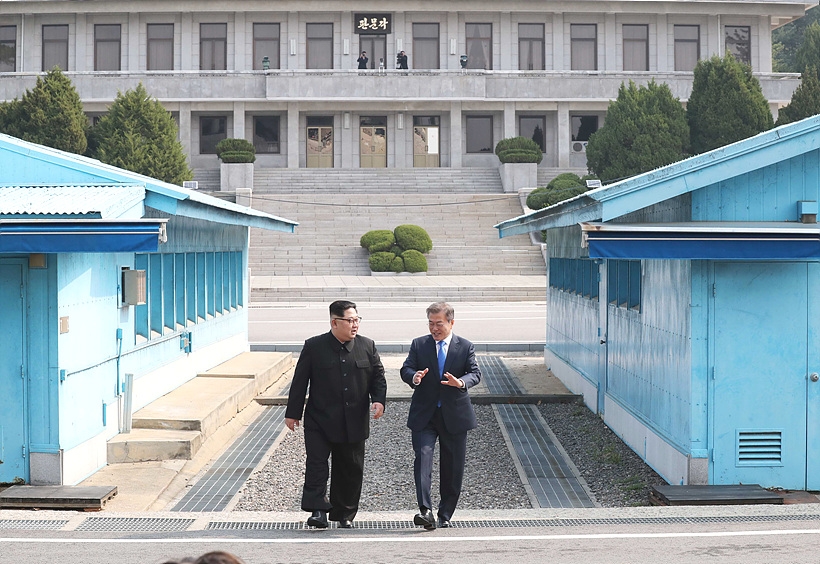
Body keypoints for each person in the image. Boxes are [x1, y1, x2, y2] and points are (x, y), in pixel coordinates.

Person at [285, 300, 387, 529]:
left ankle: (344, 514)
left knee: (350, 468)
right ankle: (318, 511)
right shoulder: (314, 346)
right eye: (349, 320)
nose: (355, 325)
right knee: (317, 464)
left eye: (357, 320)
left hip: (353, 420)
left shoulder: (367, 346)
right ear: (334, 322)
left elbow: (378, 377)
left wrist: (379, 400)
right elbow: (300, 381)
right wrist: (293, 413)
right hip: (319, 419)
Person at [400, 301, 481, 530]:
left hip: (454, 414)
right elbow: (406, 368)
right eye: (430, 323)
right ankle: (425, 511)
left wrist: (461, 382)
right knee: (423, 459)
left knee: (453, 467)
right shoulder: (419, 345)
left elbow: (475, 373)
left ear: (451, 322)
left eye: (439, 324)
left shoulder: (465, 346)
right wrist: (413, 377)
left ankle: (445, 514)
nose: (434, 328)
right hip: (425, 415)